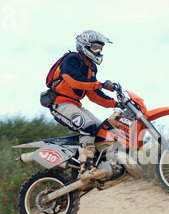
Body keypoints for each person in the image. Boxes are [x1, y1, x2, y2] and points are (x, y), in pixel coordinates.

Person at [46, 30, 119, 181]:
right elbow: (74, 81)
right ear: (85, 45)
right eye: (95, 47)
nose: (98, 51)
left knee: (103, 130)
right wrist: (100, 84)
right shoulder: (72, 59)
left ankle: (102, 165)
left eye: (100, 48)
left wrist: (117, 103)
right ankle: (86, 169)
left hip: (75, 105)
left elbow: (94, 95)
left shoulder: (91, 67)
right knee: (88, 126)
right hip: (60, 103)